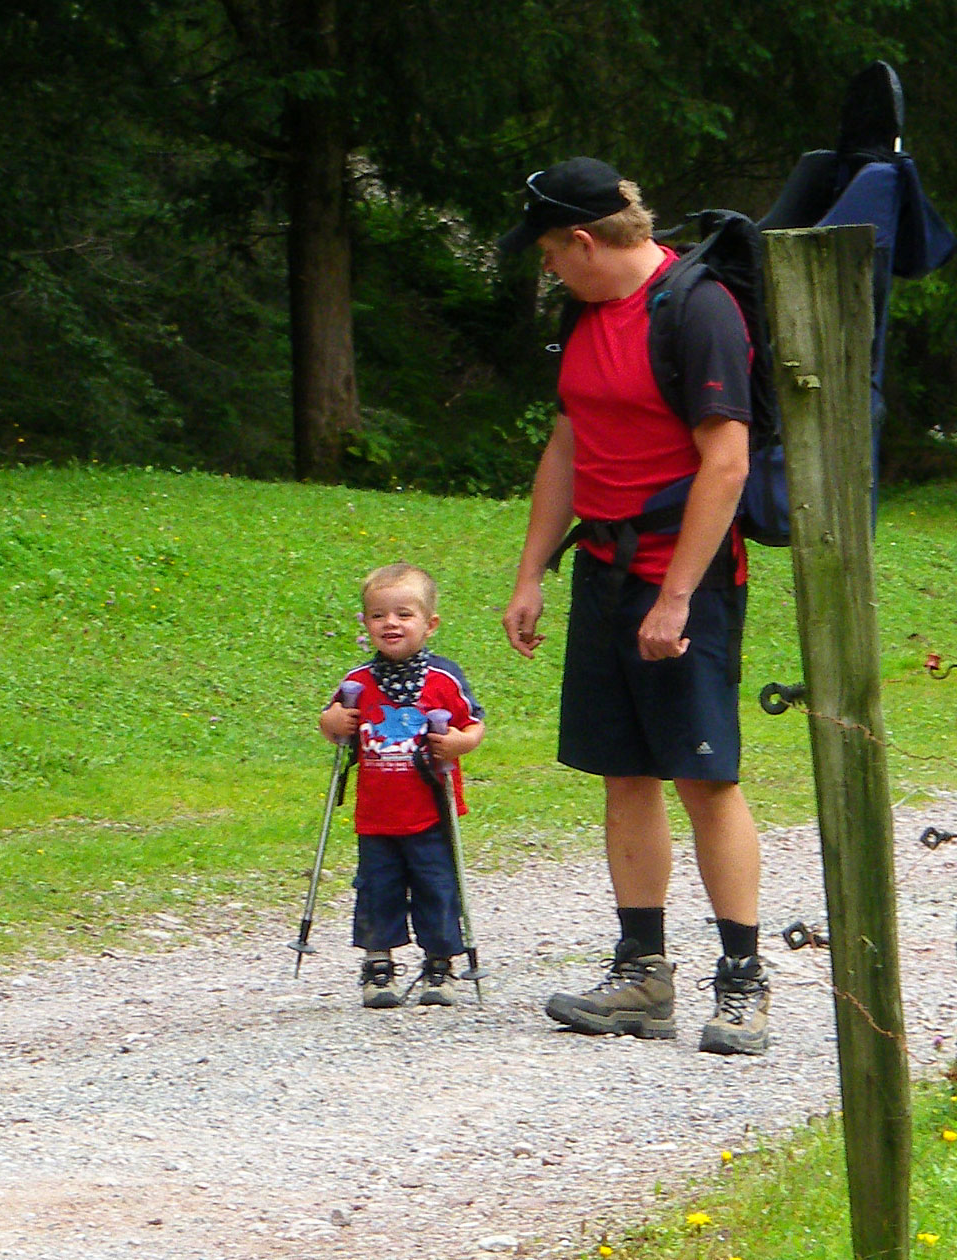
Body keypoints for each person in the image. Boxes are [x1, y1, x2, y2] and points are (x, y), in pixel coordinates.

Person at [499, 157, 770, 1055]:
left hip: (681, 575)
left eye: (548, 252)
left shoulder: (695, 309)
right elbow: (571, 443)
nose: (546, 269)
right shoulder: (581, 313)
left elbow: (725, 461)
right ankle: (642, 974)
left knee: (704, 774)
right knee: (624, 770)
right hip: (606, 573)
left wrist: (678, 597)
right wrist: (533, 572)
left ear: (583, 240)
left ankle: (742, 982)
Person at [320, 562, 485, 1010]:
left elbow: (473, 726)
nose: (390, 623)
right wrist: (333, 721)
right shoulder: (357, 682)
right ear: (366, 623)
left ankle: (439, 962)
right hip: (376, 814)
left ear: (429, 624)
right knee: (377, 887)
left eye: (404, 614)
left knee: (437, 886)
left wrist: (457, 743)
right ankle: (378, 962)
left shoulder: (443, 678)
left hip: (430, 809)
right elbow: (331, 724)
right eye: (378, 616)